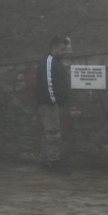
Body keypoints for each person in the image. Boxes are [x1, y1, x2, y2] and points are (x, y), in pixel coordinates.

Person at [35, 34, 73, 172]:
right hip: (49, 103)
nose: (64, 53)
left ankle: (44, 160)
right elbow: (48, 83)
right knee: (53, 132)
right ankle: (54, 162)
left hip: (52, 102)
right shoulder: (49, 61)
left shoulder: (56, 62)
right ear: (54, 48)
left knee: (49, 132)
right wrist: (53, 101)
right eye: (62, 50)